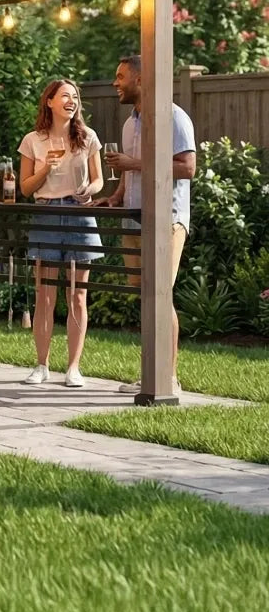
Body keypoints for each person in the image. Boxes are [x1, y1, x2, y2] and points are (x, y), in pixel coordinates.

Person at [103, 55, 196, 395]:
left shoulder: (173, 116)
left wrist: (135, 163)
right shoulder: (130, 124)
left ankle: (167, 378)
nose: (115, 82)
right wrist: (115, 196)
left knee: (160, 294)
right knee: (145, 295)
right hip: (134, 216)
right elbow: (130, 173)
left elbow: (187, 168)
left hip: (167, 219)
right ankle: (150, 373)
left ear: (140, 80)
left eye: (121, 76)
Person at [18, 79, 104, 388]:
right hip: (46, 213)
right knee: (45, 295)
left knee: (78, 296)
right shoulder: (33, 140)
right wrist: (46, 169)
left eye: (76, 96)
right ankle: (41, 365)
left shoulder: (88, 137)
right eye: (65, 95)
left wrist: (88, 192)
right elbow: (26, 188)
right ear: (50, 101)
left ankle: (73, 368)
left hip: (80, 216)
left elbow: (98, 181)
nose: (72, 100)